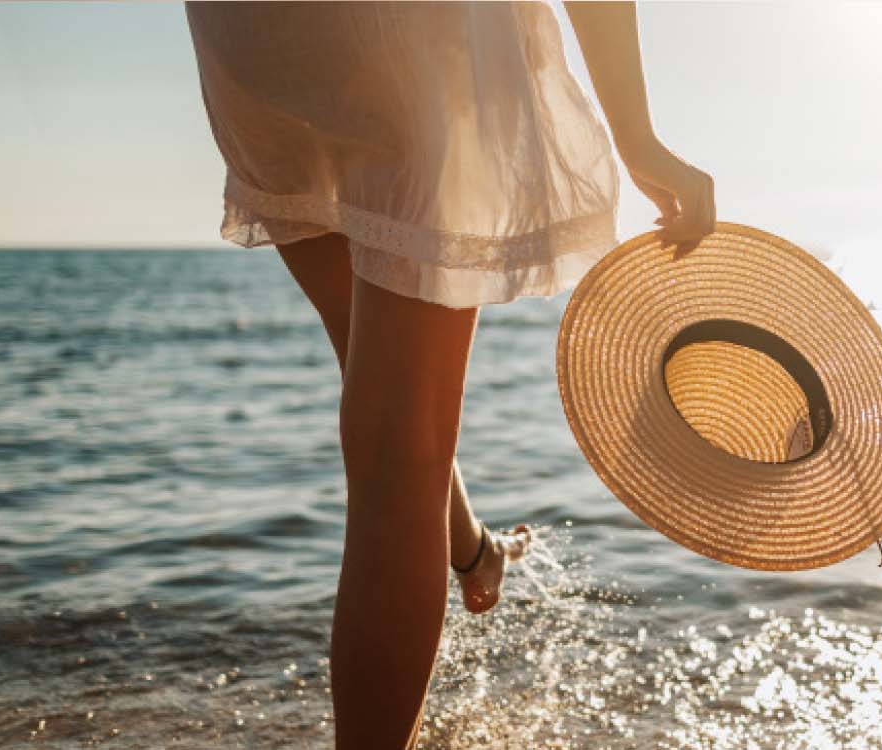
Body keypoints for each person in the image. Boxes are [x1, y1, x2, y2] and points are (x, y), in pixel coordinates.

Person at [186, 3, 716, 747]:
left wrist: (470, 549)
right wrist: (637, 137)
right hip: (409, 35)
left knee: (384, 408)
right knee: (400, 453)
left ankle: (474, 552)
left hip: (261, 40)